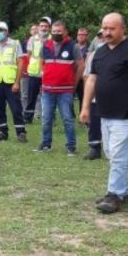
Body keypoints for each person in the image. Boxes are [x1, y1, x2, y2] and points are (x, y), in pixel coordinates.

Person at [81, 13, 128, 214]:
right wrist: (85, 107)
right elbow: (91, 80)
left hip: (127, 114)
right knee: (112, 155)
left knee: (119, 155)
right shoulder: (100, 52)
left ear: (122, 29)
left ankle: (113, 195)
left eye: (112, 28)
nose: (107, 32)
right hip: (104, 112)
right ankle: (123, 192)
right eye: (104, 28)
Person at [35, 20, 84, 155]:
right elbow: (41, 61)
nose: (57, 34)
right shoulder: (46, 45)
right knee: (46, 118)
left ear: (66, 32)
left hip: (66, 90)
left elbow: (81, 65)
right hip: (47, 89)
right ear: (51, 32)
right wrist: (45, 75)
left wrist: (75, 82)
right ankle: (46, 144)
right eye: (54, 31)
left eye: (59, 32)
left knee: (67, 119)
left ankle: (71, 146)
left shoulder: (72, 46)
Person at [0, 21, 28, 142]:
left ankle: (21, 133)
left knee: (16, 108)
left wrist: (17, 82)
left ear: (6, 32)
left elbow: (20, 63)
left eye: (0, 30)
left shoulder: (15, 44)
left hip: (11, 82)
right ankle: (2, 132)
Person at [82, 32, 105, 160]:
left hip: (112, 96)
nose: (102, 38)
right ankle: (94, 148)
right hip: (95, 96)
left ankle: (111, 149)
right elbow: (87, 76)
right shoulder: (93, 56)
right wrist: (87, 96)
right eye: (100, 36)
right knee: (94, 123)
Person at [24, 17, 50, 122]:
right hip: (34, 72)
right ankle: (28, 117)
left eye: (46, 26)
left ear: (49, 28)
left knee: (48, 96)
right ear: (39, 27)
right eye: (42, 26)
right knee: (31, 97)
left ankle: (49, 118)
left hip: (48, 72)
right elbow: (29, 55)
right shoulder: (32, 39)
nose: (43, 28)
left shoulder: (52, 38)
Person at [74, 27, 90, 111]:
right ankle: (70, 115)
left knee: (83, 96)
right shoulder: (71, 46)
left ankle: (82, 115)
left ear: (87, 36)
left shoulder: (91, 47)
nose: (81, 36)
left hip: (85, 76)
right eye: (79, 34)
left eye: (84, 35)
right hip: (73, 75)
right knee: (69, 96)